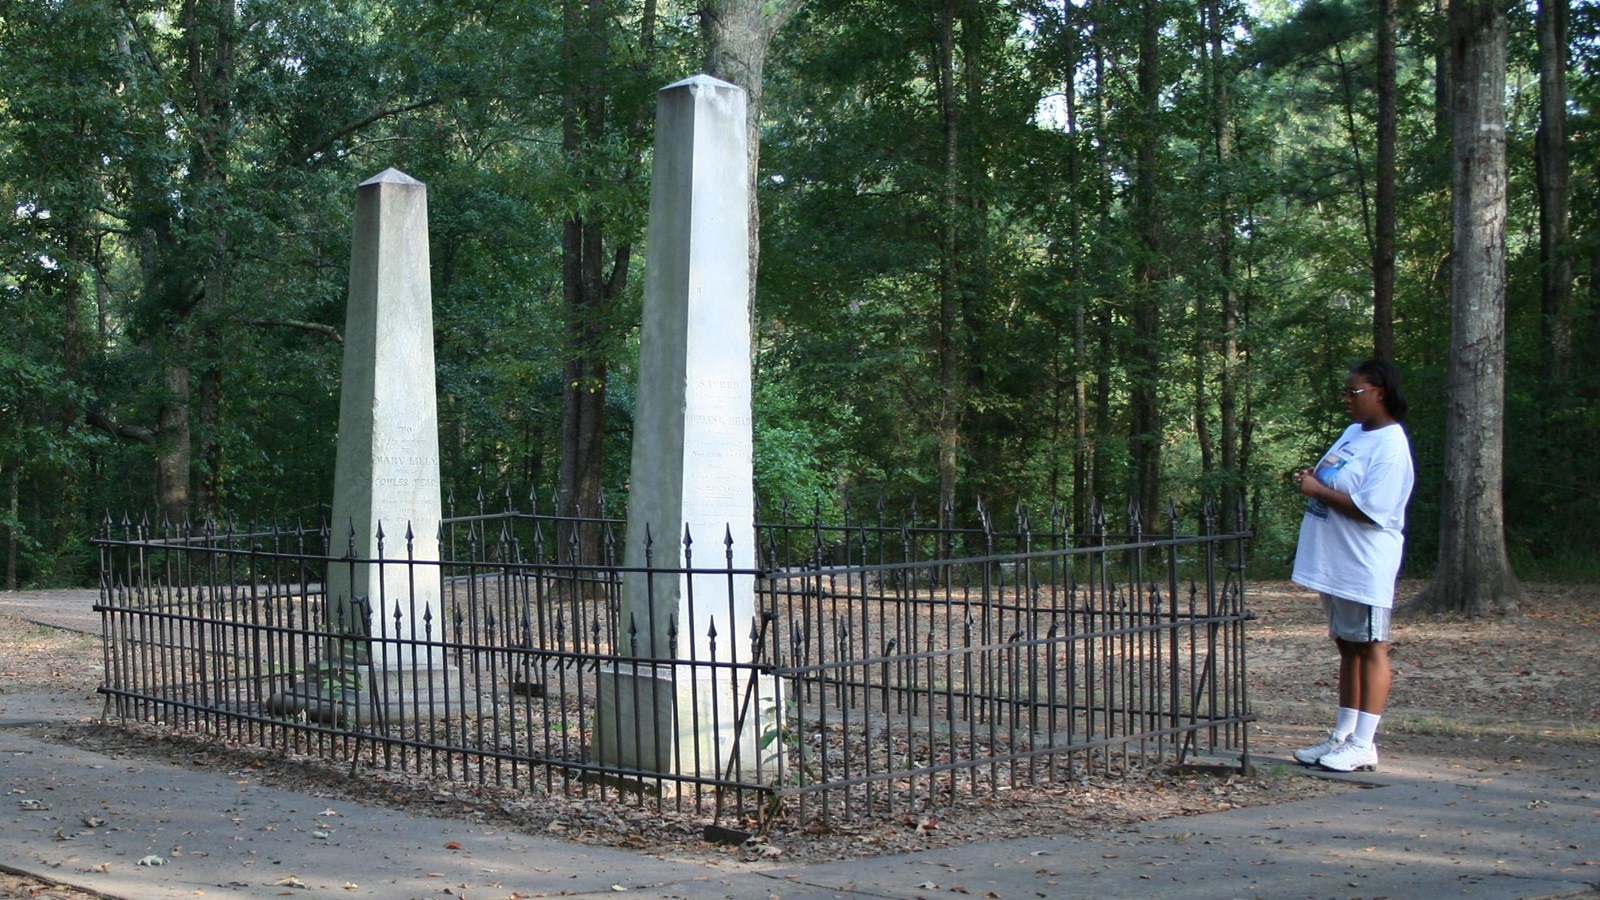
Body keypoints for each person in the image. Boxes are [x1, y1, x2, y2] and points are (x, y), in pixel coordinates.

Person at [1289, 358, 1415, 772]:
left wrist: (1318, 491)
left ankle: (1365, 742)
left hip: (1365, 564)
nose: (1346, 400)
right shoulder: (1353, 434)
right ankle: (1343, 735)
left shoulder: (1392, 447)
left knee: (1371, 646)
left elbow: (1372, 509)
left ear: (1379, 392)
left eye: (1353, 392)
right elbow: (1335, 479)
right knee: (1348, 646)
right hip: (1335, 561)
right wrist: (1314, 479)